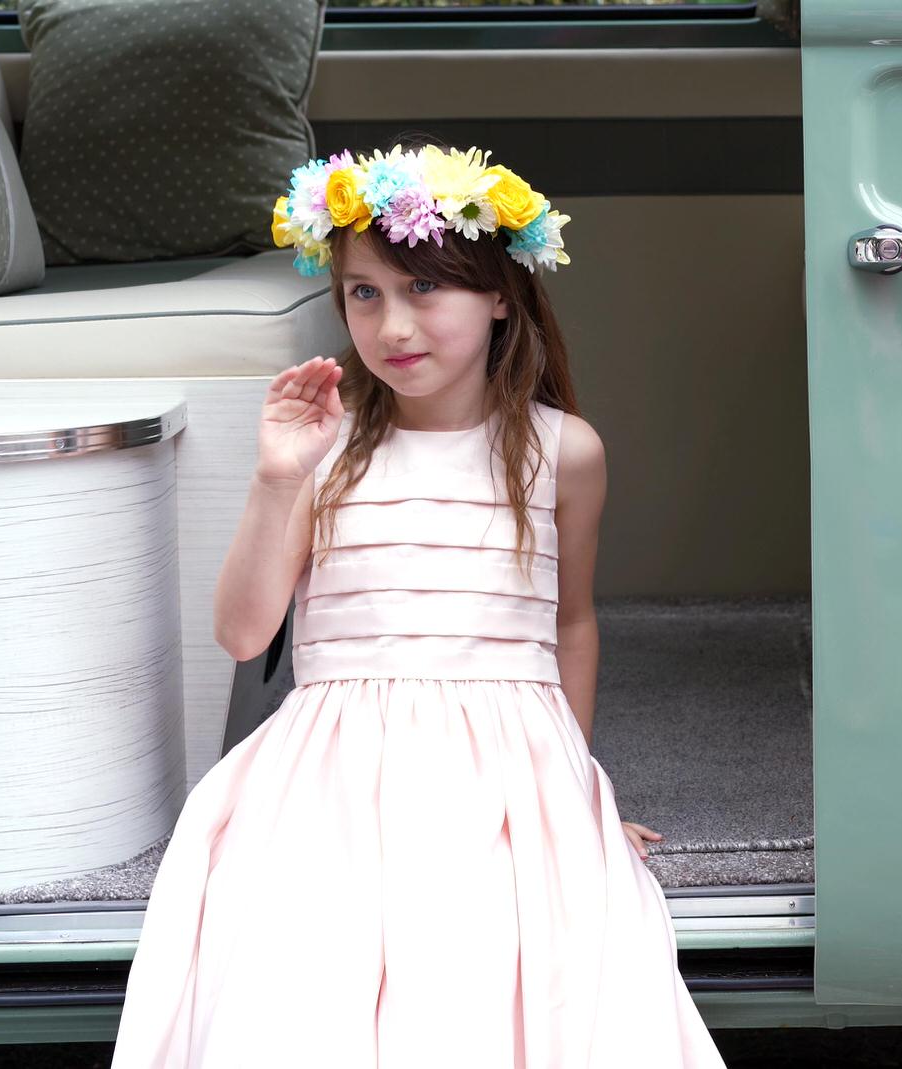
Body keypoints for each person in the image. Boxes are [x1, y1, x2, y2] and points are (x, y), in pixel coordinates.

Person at [110, 143, 727, 1068]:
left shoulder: (566, 451)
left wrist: (573, 782)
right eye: (364, 293)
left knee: (496, 964)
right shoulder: (327, 447)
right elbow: (243, 632)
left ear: (499, 297)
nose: (394, 324)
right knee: (308, 964)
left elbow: (570, 625)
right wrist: (279, 478)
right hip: (335, 763)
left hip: (509, 757)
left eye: (424, 289)